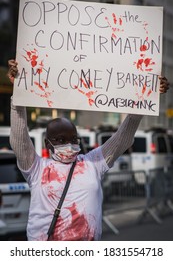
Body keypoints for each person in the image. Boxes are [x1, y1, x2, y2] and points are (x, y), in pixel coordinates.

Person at [7, 59, 169, 241]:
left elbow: (122, 139)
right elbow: (19, 138)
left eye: (73, 139)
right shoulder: (37, 169)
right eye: (60, 140)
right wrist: (18, 95)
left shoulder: (93, 163)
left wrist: (145, 97)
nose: (69, 143)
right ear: (47, 144)